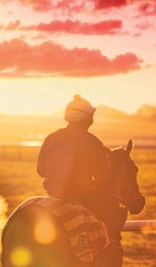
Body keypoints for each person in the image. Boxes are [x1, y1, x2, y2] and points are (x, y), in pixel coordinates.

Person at [37, 94, 122, 265]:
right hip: (83, 200)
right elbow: (104, 178)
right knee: (113, 220)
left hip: (52, 197)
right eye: (91, 116)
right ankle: (110, 252)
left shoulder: (51, 138)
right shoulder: (93, 142)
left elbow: (40, 171)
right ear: (87, 119)